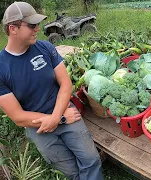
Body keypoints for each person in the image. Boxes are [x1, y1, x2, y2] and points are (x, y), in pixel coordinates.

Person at [0, 2, 104, 180]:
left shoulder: (45, 48)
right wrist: (60, 119)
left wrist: (58, 116)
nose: (37, 29)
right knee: (70, 171)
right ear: (13, 28)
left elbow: (65, 84)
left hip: (63, 109)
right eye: (32, 25)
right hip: (38, 126)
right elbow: (17, 116)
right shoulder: (2, 68)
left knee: (91, 160)